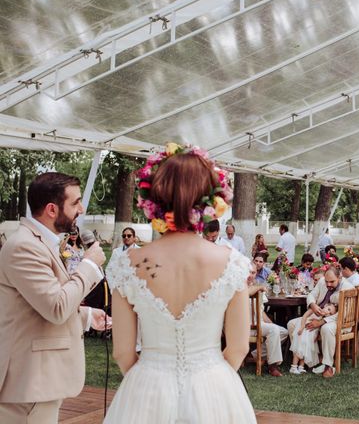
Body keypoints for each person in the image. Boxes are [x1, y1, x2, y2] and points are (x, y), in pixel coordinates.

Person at [104, 144, 255, 423]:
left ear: (152, 197)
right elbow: (238, 348)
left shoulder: (129, 263)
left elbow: (123, 352)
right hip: (213, 383)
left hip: (147, 384)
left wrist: (148, 384)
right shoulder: (231, 263)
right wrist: (213, 385)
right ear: (211, 199)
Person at [0, 172, 107, 423]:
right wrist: (89, 266)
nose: (81, 209)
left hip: (41, 383)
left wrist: (86, 316)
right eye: (75, 203)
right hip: (29, 384)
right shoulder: (24, 246)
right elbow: (56, 307)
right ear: (51, 209)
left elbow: (35, 308)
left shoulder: (43, 243)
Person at [286, 266, 354, 379]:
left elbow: (344, 313)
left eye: (332, 281)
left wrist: (322, 321)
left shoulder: (348, 288)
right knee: (291, 324)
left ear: (339, 277)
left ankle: (328, 364)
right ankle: (301, 357)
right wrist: (312, 305)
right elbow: (312, 294)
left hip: (339, 320)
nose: (328, 284)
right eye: (327, 281)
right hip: (318, 314)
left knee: (326, 329)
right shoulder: (322, 281)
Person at [247, 263, 287, 377]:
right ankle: (273, 366)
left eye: (253, 273)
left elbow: (261, 311)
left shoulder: (256, 286)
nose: (250, 275)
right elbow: (246, 292)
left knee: (283, 332)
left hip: (259, 323)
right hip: (244, 325)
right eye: (248, 272)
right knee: (274, 330)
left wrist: (272, 324)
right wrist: (259, 287)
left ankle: (255, 355)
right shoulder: (239, 286)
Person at [289, 303, 338, 374]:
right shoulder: (314, 309)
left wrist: (316, 336)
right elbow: (304, 316)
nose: (328, 312)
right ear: (325, 305)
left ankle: (301, 367)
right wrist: (302, 326)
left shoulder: (322, 318)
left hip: (309, 334)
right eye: (328, 309)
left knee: (305, 349)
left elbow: (318, 328)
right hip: (303, 330)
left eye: (330, 313)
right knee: (299, 348)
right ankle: (293, 367)